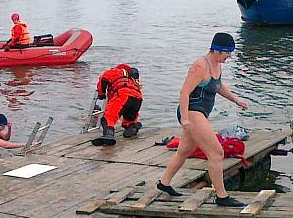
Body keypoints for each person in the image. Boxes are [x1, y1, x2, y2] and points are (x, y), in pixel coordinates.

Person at [157, 32, 250, 207]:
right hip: (192, 112)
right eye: (227, 53)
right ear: (217, 50)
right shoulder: (200, 66)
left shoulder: (217, 65)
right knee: (216, 153)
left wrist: (236, 100)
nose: (229, 57)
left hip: (200, 113)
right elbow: (184, 92)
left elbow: (218, 85)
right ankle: (222, 196)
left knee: (184, 151)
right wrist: (185, 118)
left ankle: (164, 183)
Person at [91, 64, 143, 146]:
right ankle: (133, 126)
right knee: (129, 120)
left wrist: (101, 93)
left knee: (109, 117)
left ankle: (108, 135)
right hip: (138, 98)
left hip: (123, 95)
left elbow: (103, 79)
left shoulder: (115, 71)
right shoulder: (132, 79)